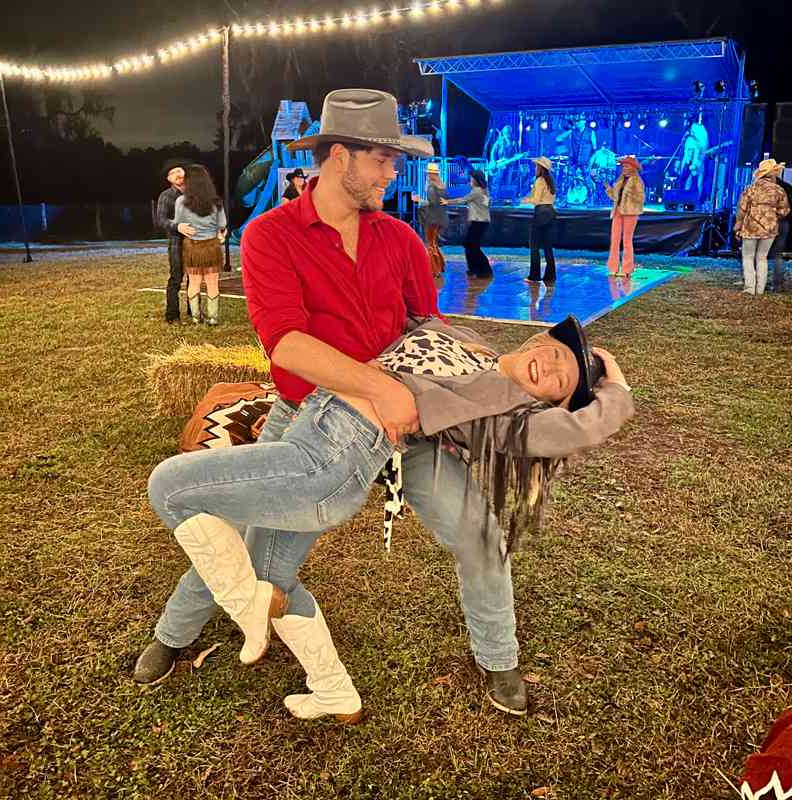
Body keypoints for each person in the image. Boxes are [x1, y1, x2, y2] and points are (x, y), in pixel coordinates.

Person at [133, 89, 632, 722]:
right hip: (315, 417)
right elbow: (285, 343)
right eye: (383, 160)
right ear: (339, 156)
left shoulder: (397, 237)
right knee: (258, 551)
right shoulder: (269, 237)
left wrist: (464, 397)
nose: (393, 173)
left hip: (413, 428)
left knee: (480, 534)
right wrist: (374, 387)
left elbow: (425, 326)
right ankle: (172, 637)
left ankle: (498, 658)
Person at [174, 164, 227, 325]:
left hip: (192, 246)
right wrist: (220, 234)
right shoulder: (216, 202)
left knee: (194, 282)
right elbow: (222, 224)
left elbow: (179, 224)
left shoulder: (181, 201)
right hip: (212, 246)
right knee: (212, 283)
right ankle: (213, 317)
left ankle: (196, 317)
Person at [734, 159, 790, 296]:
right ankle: (760, 289)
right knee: (762, 257)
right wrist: (772, 214)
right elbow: (785, 211)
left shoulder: (750, 189)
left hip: (750, 226)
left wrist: (738, 225)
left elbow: (741, 209)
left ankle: (749, 288)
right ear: (772, 174)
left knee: (748, 257)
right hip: (770, 228)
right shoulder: (779, 190)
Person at [156, 159, 189, 324]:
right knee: (176, 278)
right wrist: (178, 226)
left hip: (195, 244)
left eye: (180, 170)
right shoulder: (166, 196)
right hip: (177, 243)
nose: (178, 174)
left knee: (195, 279)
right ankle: (172, 315)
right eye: (173, 172)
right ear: (169, 179)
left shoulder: (194, 194)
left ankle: (194, 312)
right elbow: (161, 220)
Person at [441, 169, 492, 278]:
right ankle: (473, 269)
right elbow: (486, 204)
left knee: (472, 246)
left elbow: (462, 200)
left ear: (476, 180)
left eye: (472, 178)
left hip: (479, 222)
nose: (470, 180)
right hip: (481, 221)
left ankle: (484, 270)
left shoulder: (477, 191)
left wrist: (447, 202)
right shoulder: (485, 190)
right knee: (470, 245)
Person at [605, 155, 645, 277]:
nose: (624, 168)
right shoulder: (620, 180)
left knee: (627, 240)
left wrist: (630, 198)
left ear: (633, 167)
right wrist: (608, 189)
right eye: (623, 166)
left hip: (630, 212)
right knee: (615, 239)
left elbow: (640, 198)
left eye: (626, 166)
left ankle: (627, 269)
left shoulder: (637, 181)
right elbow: (615, 197)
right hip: (618, 211)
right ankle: (613, 267)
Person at [521, 157, 558, 284]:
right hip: (550, 212)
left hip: (541, 212)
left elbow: (536, 200)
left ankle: (534, 275)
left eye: (537, 166)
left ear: (541, 168)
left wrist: (526, 200)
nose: (535, 168)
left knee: (534, 245)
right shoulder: (550, 181)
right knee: (547, 246)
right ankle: (550, 275)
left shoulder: (540, 181)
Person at [413, 162, 448, 277]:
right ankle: (439, 266)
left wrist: (419, 200)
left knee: (430, 244)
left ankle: (434, 270)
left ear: (431, 174)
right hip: (440, 218)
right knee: (434, 243)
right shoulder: (442, 186)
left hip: (432, 218)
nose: (427, 175)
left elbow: (432, 203)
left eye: (428, 173)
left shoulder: (431, 187)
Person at [768, 167, 792, 292]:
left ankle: (757, 283)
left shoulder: (761, 189)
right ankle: (777, 285)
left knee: (759, 253)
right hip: (784, 223)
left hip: (767, 224)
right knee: (778, 254)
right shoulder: (787, 187)